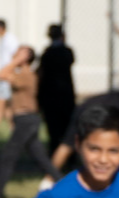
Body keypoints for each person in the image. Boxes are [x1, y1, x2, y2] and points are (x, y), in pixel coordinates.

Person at [0, 45, 64, 198]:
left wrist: (16, 61)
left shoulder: (27, 75)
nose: (15, 53)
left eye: (20, 51)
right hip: (25, 121)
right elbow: (3, 75)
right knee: (42, 160)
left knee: (8, 156)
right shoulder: (21, 74)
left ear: (27, 57)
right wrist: (16, 61)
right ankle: (67, 186)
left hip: (27, 120)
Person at [49, 90, 119, 179]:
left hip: (84, 106)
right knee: (69, 144)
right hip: (91, 111)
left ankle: (48, 179)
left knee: (67, 144)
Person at [37, 23, 77, 155]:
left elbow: (42, 74)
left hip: (50, 96)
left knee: (53, 128)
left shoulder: (47, 54)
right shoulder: (67, 52)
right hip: (65, 96)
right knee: (67, 127)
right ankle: (69, 155)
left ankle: (55, 153)